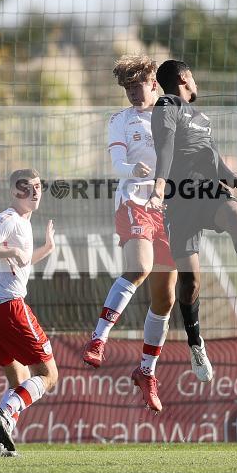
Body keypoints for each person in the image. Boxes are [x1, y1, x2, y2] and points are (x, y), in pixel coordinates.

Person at [148, 59, 237, 382]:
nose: (196, 81)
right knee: (189, 283)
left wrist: (233, 179)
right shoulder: (166, 105)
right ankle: (195, 343)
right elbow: (164, 148)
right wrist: (160, 186)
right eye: (193, 75)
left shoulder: (201, 118)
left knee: (234, 213)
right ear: (183, 77)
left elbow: (213, 156)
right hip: (179, 200)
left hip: (207, 190)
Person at [81, 54, 177, 411]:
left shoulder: (173, 114)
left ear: (154, 83)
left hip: (170, 210)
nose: (134, 93)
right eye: (127, 87)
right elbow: (117, 163)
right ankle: (98, 338)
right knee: (138, 268)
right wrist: (131, 168)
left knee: (164, 301)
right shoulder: (120, 120)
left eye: (138, 85)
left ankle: (146, 371)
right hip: (135, 201)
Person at [0, 168, 58, 455]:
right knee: (48, 375)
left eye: (38, 186)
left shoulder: (23, 223)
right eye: (26, 187)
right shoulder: (8, 218)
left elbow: (20, 262)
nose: (34, 191)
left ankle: (2, 443)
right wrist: (10, 253)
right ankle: (5, 412)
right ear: (13, 192)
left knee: (18, 380)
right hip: (8, 310)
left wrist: (46, 249)